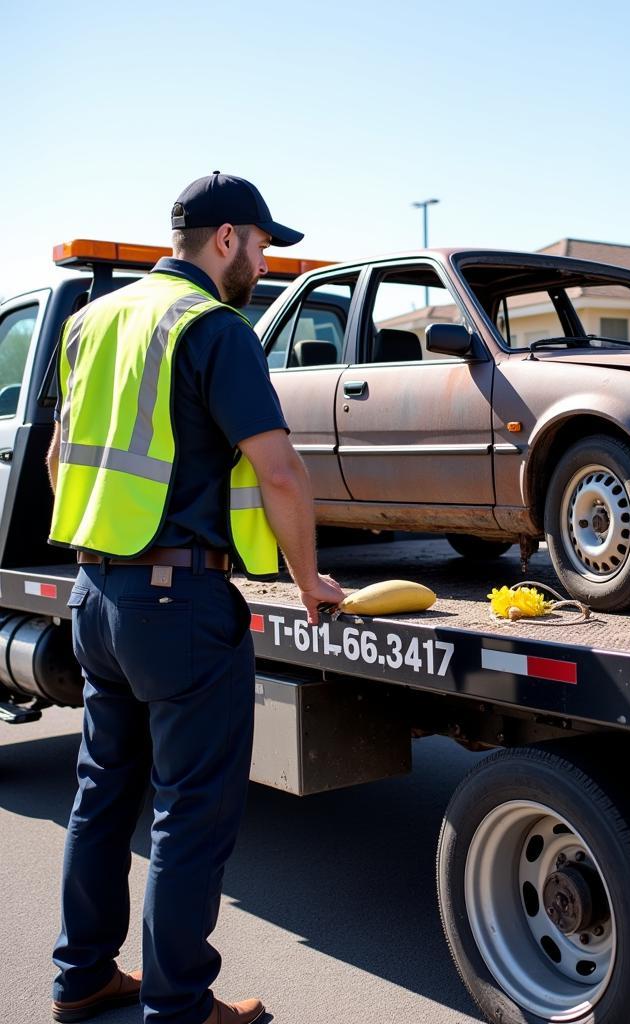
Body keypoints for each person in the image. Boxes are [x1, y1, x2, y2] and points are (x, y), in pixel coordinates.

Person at [46, 172, 346, 1024]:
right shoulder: (215, 327)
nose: (265, 262)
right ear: (225, 240)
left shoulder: (91, 323)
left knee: (101, 795)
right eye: (261, 245)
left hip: (94, 592)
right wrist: (305, 577)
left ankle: (82, 978)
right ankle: (179, 1007)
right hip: (180, 602)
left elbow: (59, 460)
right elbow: (280, 470)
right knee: (190, 812)